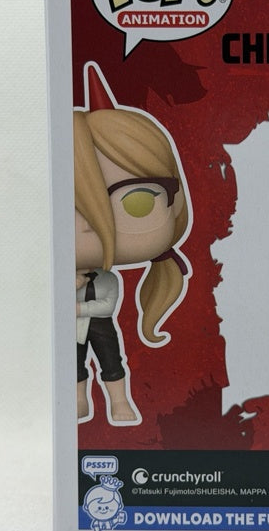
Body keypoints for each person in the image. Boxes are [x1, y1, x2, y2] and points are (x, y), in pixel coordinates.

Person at [74, 63, 191, 424]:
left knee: (111, 362)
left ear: (174, 203)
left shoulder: (107, 279)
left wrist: (77, 306)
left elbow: (107, 303)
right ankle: (78, 402)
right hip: (71, 332)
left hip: (99, 326)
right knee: (74, 365)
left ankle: (119, 402)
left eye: (135, 202)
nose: (90, 225)